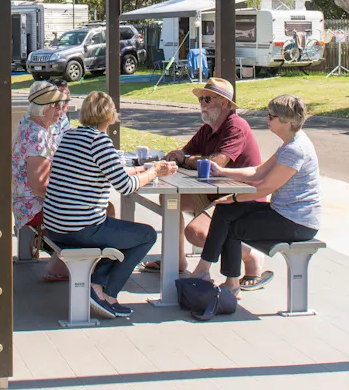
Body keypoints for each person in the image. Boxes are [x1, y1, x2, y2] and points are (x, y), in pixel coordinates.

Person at [43, 90, 176, 319]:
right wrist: (153, 171)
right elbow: (125, 186)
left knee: (123, 233)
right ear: (110, 115)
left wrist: (140, 170)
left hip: (56, 226)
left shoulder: (71, 137)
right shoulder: (99, 141)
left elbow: (107, 170)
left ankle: (98, 286)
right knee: (146, 235)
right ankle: (108, 293)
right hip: (80, 228)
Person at [190, 94, 322, 314]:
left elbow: (265, 187)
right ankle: (208, 272)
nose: (267, 120)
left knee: (233, 225)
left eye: (272, 116)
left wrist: (233, 197)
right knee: (224, 210)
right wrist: (223, 171)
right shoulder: (289, 143)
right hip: (283, 212)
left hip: (296, 222)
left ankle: (225, 282)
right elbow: (258, 171)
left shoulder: (295, 150)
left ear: (287, 122)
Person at [151, 76, 271, 289]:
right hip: (215, 193)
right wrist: (176, 155)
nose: (202, 105)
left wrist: (186, 160)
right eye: (201, 100)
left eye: (207, 99)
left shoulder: (236, 126)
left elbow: (216, 164)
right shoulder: (208, 128)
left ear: (224, 103)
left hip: (242, 200)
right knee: (170, 199)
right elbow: (184, 151)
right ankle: (176, 260)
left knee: (196, 232)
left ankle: (250, 255)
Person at [12, 80, 72, 281]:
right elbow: (39, 187)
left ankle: (62, 262)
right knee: (97, 211)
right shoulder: (37, 136)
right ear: (42, 108)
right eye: (54, 105)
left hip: (30, 203)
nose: (60, 110)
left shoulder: (33, 126)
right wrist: (72, 195)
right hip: (33, 207)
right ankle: (66, 266)